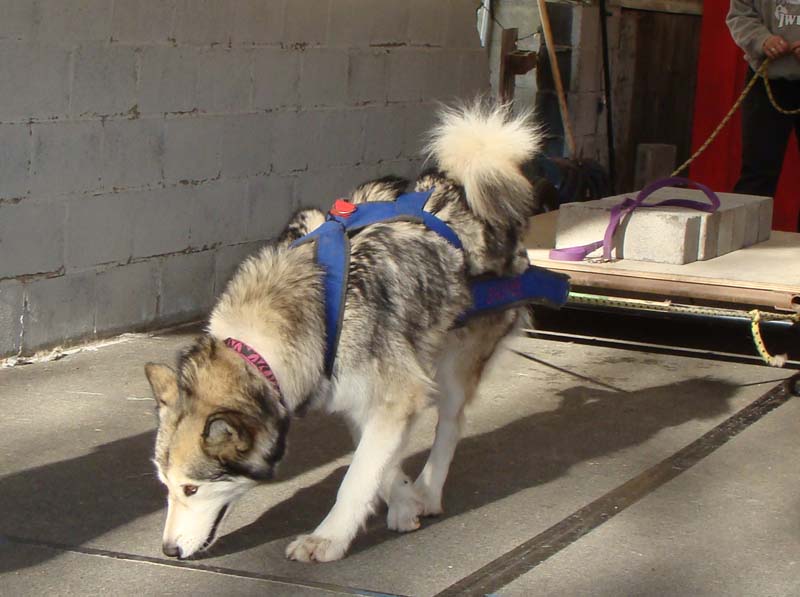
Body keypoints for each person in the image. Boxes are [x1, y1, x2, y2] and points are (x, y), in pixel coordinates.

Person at [727, 0, 800, 230]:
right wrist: (762, 40)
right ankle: (742, 245)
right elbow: (740, 14)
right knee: (757, 172)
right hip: (766, 78)